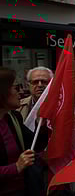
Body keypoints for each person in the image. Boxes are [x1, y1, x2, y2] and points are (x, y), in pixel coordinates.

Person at [1, 67, 47, 196]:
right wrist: (15, 167)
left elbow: (34, 145)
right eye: (15, 88)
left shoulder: (13, 117)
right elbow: (19, 164)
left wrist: (41, 125)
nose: (20, 92)